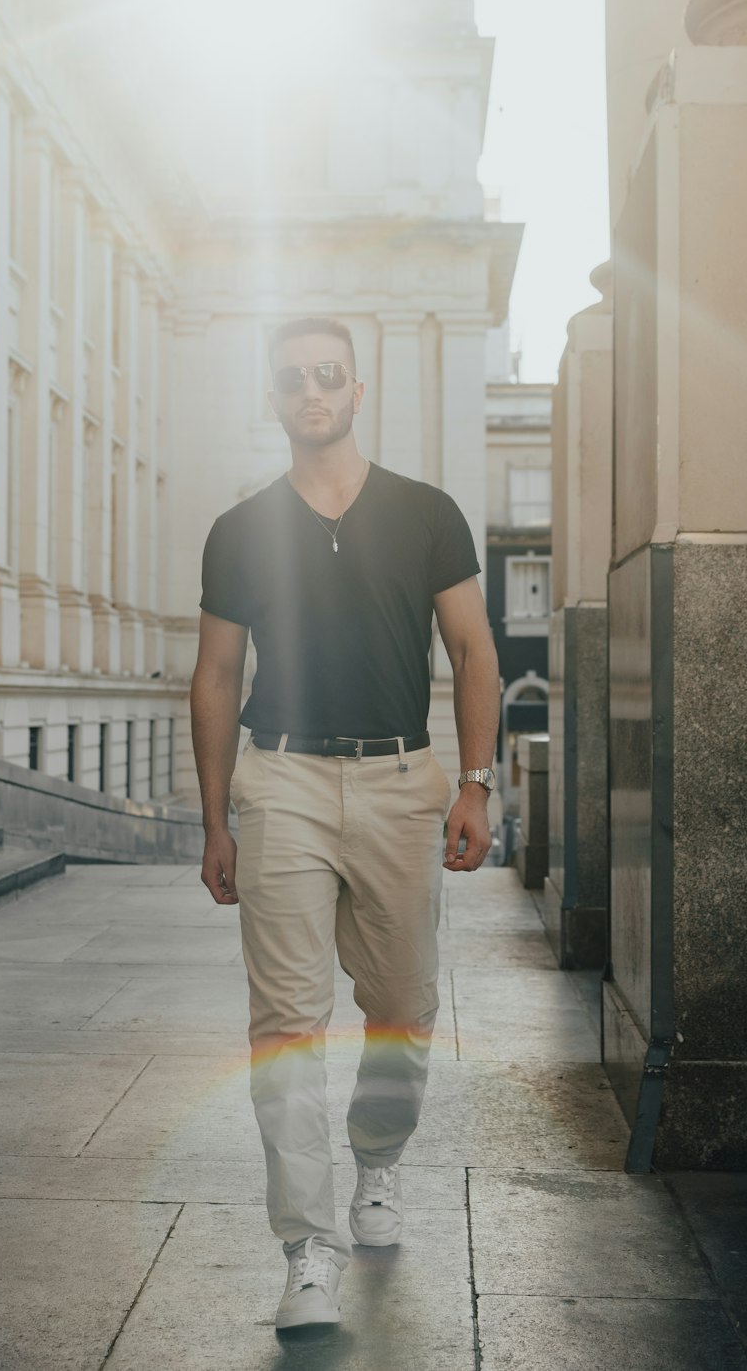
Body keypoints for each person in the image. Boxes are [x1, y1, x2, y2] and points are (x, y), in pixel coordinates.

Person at [189, 316, 500, 1330]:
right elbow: (217, 676)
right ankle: (308, 1249)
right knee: (284, 1025)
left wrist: (475, 782)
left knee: (404, 1008)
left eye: (329, 376)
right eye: (293, 379)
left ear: (356, 391)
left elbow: (473, 649)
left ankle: (376, 1166)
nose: (312, 391)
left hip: (400, 783)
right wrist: (213, 820)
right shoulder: (239, 531)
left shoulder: (425, 514)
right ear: (273, 399)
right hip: (277, 784)